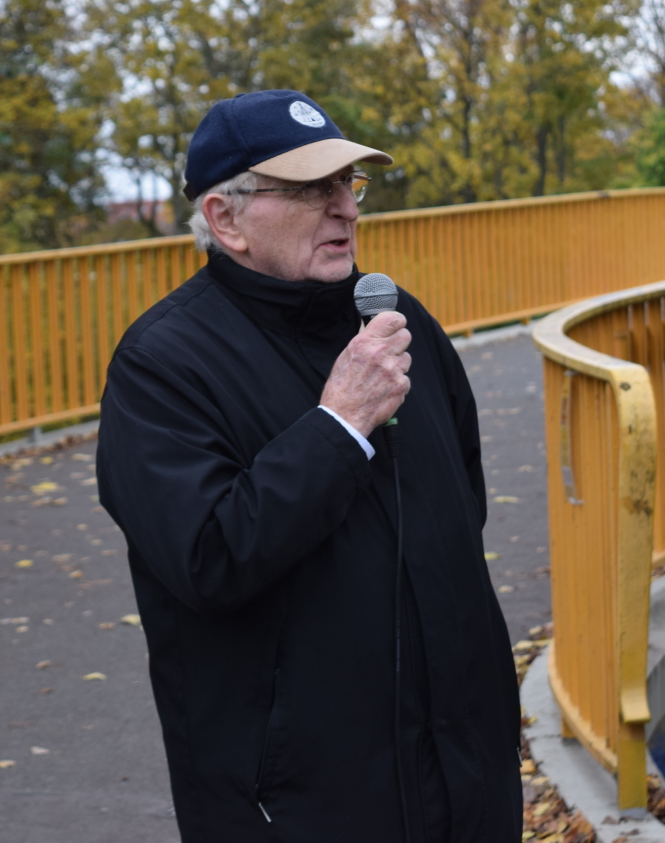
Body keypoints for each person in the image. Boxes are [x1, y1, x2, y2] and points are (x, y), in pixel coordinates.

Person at [96, 90, 522, 842]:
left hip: (464, 781)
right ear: (225, 219)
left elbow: (462, 505)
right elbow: (209, 558)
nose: (345, 211)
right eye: (309, 189)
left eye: (347, 185)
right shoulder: (162, 364)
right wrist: (338, 425)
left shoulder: (396, 320)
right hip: (301, 804)